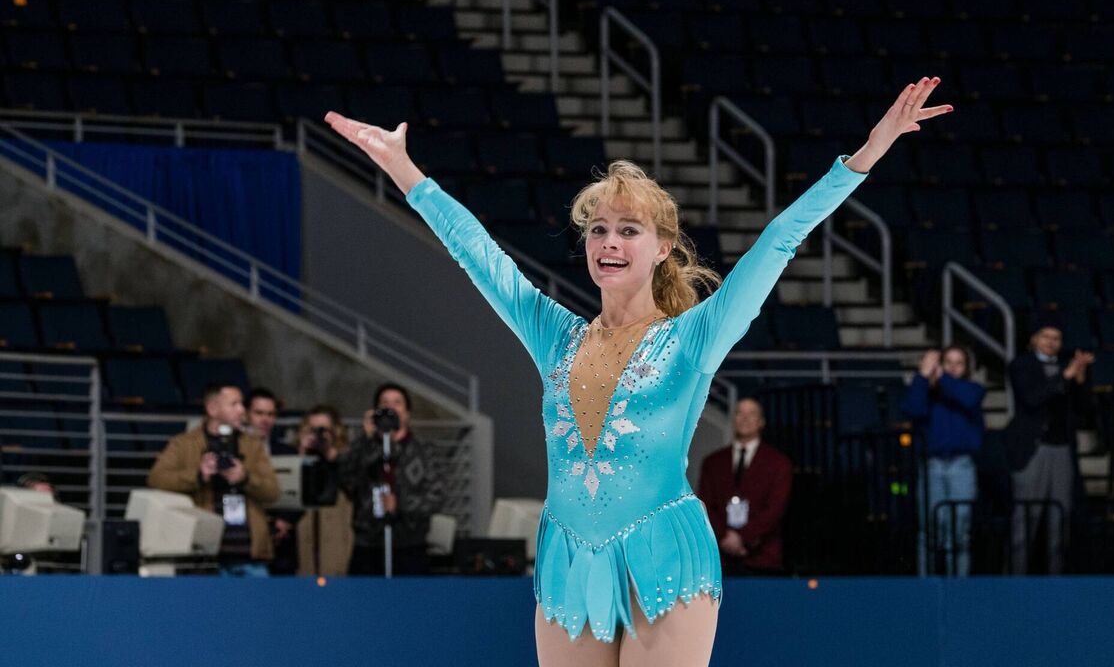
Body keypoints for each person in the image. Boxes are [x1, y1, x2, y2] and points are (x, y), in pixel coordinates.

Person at [325, 75, 949, 666]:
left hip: (663, 554)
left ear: (663, 248)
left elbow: (781, 238)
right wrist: (404, 170)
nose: (609, 243)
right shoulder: (555, 336)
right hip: (568, 557)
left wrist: (869, 150)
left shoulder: (695, 338)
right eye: (598, 230)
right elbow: (479, 257)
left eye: (629, 230)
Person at [147, 382, 280, 577]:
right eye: (234, 404)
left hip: (249, 555)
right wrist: (198, 475)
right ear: (212, 408)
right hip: (204, 554)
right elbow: (156, 478)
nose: (242, 410)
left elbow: (273, 491)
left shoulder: (252, 446)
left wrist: (245, 478)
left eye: (242, 404)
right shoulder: (184, 444)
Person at [1005, 312, 1094, 574]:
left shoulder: (1069, 367)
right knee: (1026, 520)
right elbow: (1032, 399)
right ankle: (1013, 582)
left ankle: (1056, 581)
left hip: (1062, 449)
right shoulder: (1022, 365)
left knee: (1060, 520)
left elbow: (1085, 409)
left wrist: (1079, 379)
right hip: (1033, 450)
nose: (1051, 342)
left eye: (1057, 338)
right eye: (1046, 336)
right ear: (1034, 338)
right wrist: (1064, 377)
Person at [339, 383, 446, 575]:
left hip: (409, 544)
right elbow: (347, 480)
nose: (391, 408)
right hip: (368, 544)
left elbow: (437, 497)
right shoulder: (364, 448)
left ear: (407, 414)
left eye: (397, 403)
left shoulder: (425, 451)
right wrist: (366, 439)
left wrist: (401, 503)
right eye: (385, 403)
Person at [903, 345, 985, 577]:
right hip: (933, 465)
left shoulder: (973, 389)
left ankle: (957, 587)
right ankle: (926, 587)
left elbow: (968, 399)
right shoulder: (927, 393)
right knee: (929, 530)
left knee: (959, 531)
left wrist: (941, 377)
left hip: (962, 465)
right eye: (948, 362)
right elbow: (912, 409)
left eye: (958, 363)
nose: (952, 367)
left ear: (967, 367)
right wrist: (921, 376)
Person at [697, 398, 793, 576]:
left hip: (763, 559)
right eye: (740, 413)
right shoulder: (713, 462)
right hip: (719, 559)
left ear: (761, 422)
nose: (745, 418)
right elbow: (705, 505)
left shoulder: (779, 463)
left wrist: (742, 538)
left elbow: (775, 509)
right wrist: (725, 538)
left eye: (752, 414)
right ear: (733, 419)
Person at [246, 387, 301, 575]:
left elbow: (300, 493)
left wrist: (285, 520)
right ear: (247, 414)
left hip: (283, 545)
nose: (265, 419)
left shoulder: (288, 452)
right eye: (259, 413)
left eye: (270, 414)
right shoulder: (235, 451)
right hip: (247, 541)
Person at [295, 404, 355, 576]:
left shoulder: (347, 458)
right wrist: (302, 453)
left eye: (324, 430)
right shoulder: (299, 458)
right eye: (313, 430)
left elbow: (353, 485)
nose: (319, 435)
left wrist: (331, 454)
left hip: (337, 542)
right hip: (306, 546)